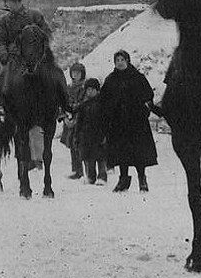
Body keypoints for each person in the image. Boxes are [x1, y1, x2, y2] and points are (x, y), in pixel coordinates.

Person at [0, 0, 52, 116]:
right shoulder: (4, 20)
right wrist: (3, 54)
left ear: (16, 1)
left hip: (35, 58)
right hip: (12, 58)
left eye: (8, 2)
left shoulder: (34, 15)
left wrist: (40, 51)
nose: (6, 5)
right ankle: (1, 102)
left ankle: (59, 104)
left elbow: (47, 34)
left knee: (54, 75)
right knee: (0, 77)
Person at [101, 50, 158, 192]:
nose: (120, 62)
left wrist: (144, 110)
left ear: (128, 60)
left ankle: (142, 178)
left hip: (136, 122)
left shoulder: (138, 77)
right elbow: (104, 99)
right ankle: (123, 179)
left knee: (138, 152)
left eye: (122, 59)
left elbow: (148, 95)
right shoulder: (111, 79)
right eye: (117, 60)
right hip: (118, 122)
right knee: (121, 152)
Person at [75, 78, 108, 185]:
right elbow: (79, 121)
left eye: (92, 89)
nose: (90, 92)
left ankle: (102, 176)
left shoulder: (102, 104)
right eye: (88, 90)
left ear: (97, 90)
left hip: (98, 134)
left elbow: (106, 121)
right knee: (88, 157)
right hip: (86, 136)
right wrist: (77, 135)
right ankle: (91, 176)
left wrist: (105, 134)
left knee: (101, 157)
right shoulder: (83, 105)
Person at [61, 62, 87, 180]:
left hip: (81, 121)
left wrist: (76, 118)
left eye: (78, 72)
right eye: (73, 72)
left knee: (82, 145)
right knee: (72, 145)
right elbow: (61, 103)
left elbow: (85, 104)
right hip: (69, 120)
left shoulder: (85, 88)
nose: (75, 75)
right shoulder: (68, 88)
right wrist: (65, 118)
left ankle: (87, 171)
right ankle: (77, 170)